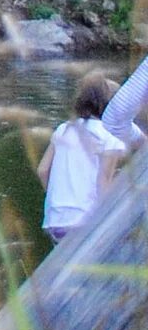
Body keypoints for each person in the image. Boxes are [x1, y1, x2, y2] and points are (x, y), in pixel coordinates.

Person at [42, 53, 148, 241]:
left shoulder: (64, 129)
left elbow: (42, 170)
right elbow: (103, 184)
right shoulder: (109, 137)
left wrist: (59, 200)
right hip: (83, 221)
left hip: (54, 221)